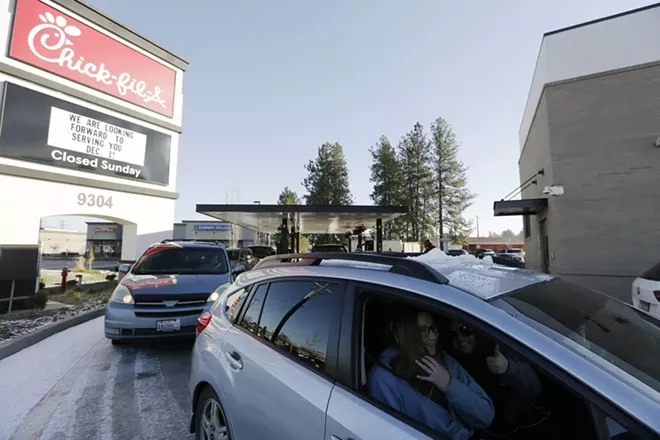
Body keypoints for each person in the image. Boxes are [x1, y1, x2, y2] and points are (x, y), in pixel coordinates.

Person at [368, 311, 494, 440]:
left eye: (433, 328)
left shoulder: (444, 360)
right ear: (403, 335)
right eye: (423, 331)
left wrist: (449, 384)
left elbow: (485, 417)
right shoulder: (385, 378)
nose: (433, 336)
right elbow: (389, 433)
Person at [448, 320, 547, 438]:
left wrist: (508, 368)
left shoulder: (499, 348)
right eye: (453, 333)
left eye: (466, 330)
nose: (460, 338)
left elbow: (535, 388)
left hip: (518, 428)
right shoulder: (451, 361)